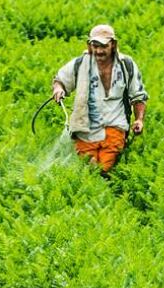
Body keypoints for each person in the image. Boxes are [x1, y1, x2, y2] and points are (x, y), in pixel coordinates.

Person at [51, 24, 147, 175]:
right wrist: (59, 89)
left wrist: (139, 119)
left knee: (104, 168)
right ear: (89, 45)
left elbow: (138, 95)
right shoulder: (79, 63)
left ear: (113, 45)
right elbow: (61, 80)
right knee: (89, 167)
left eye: (103, 46)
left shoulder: (126, 65)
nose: (99, 50)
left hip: (115, 128)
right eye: (95, 45)